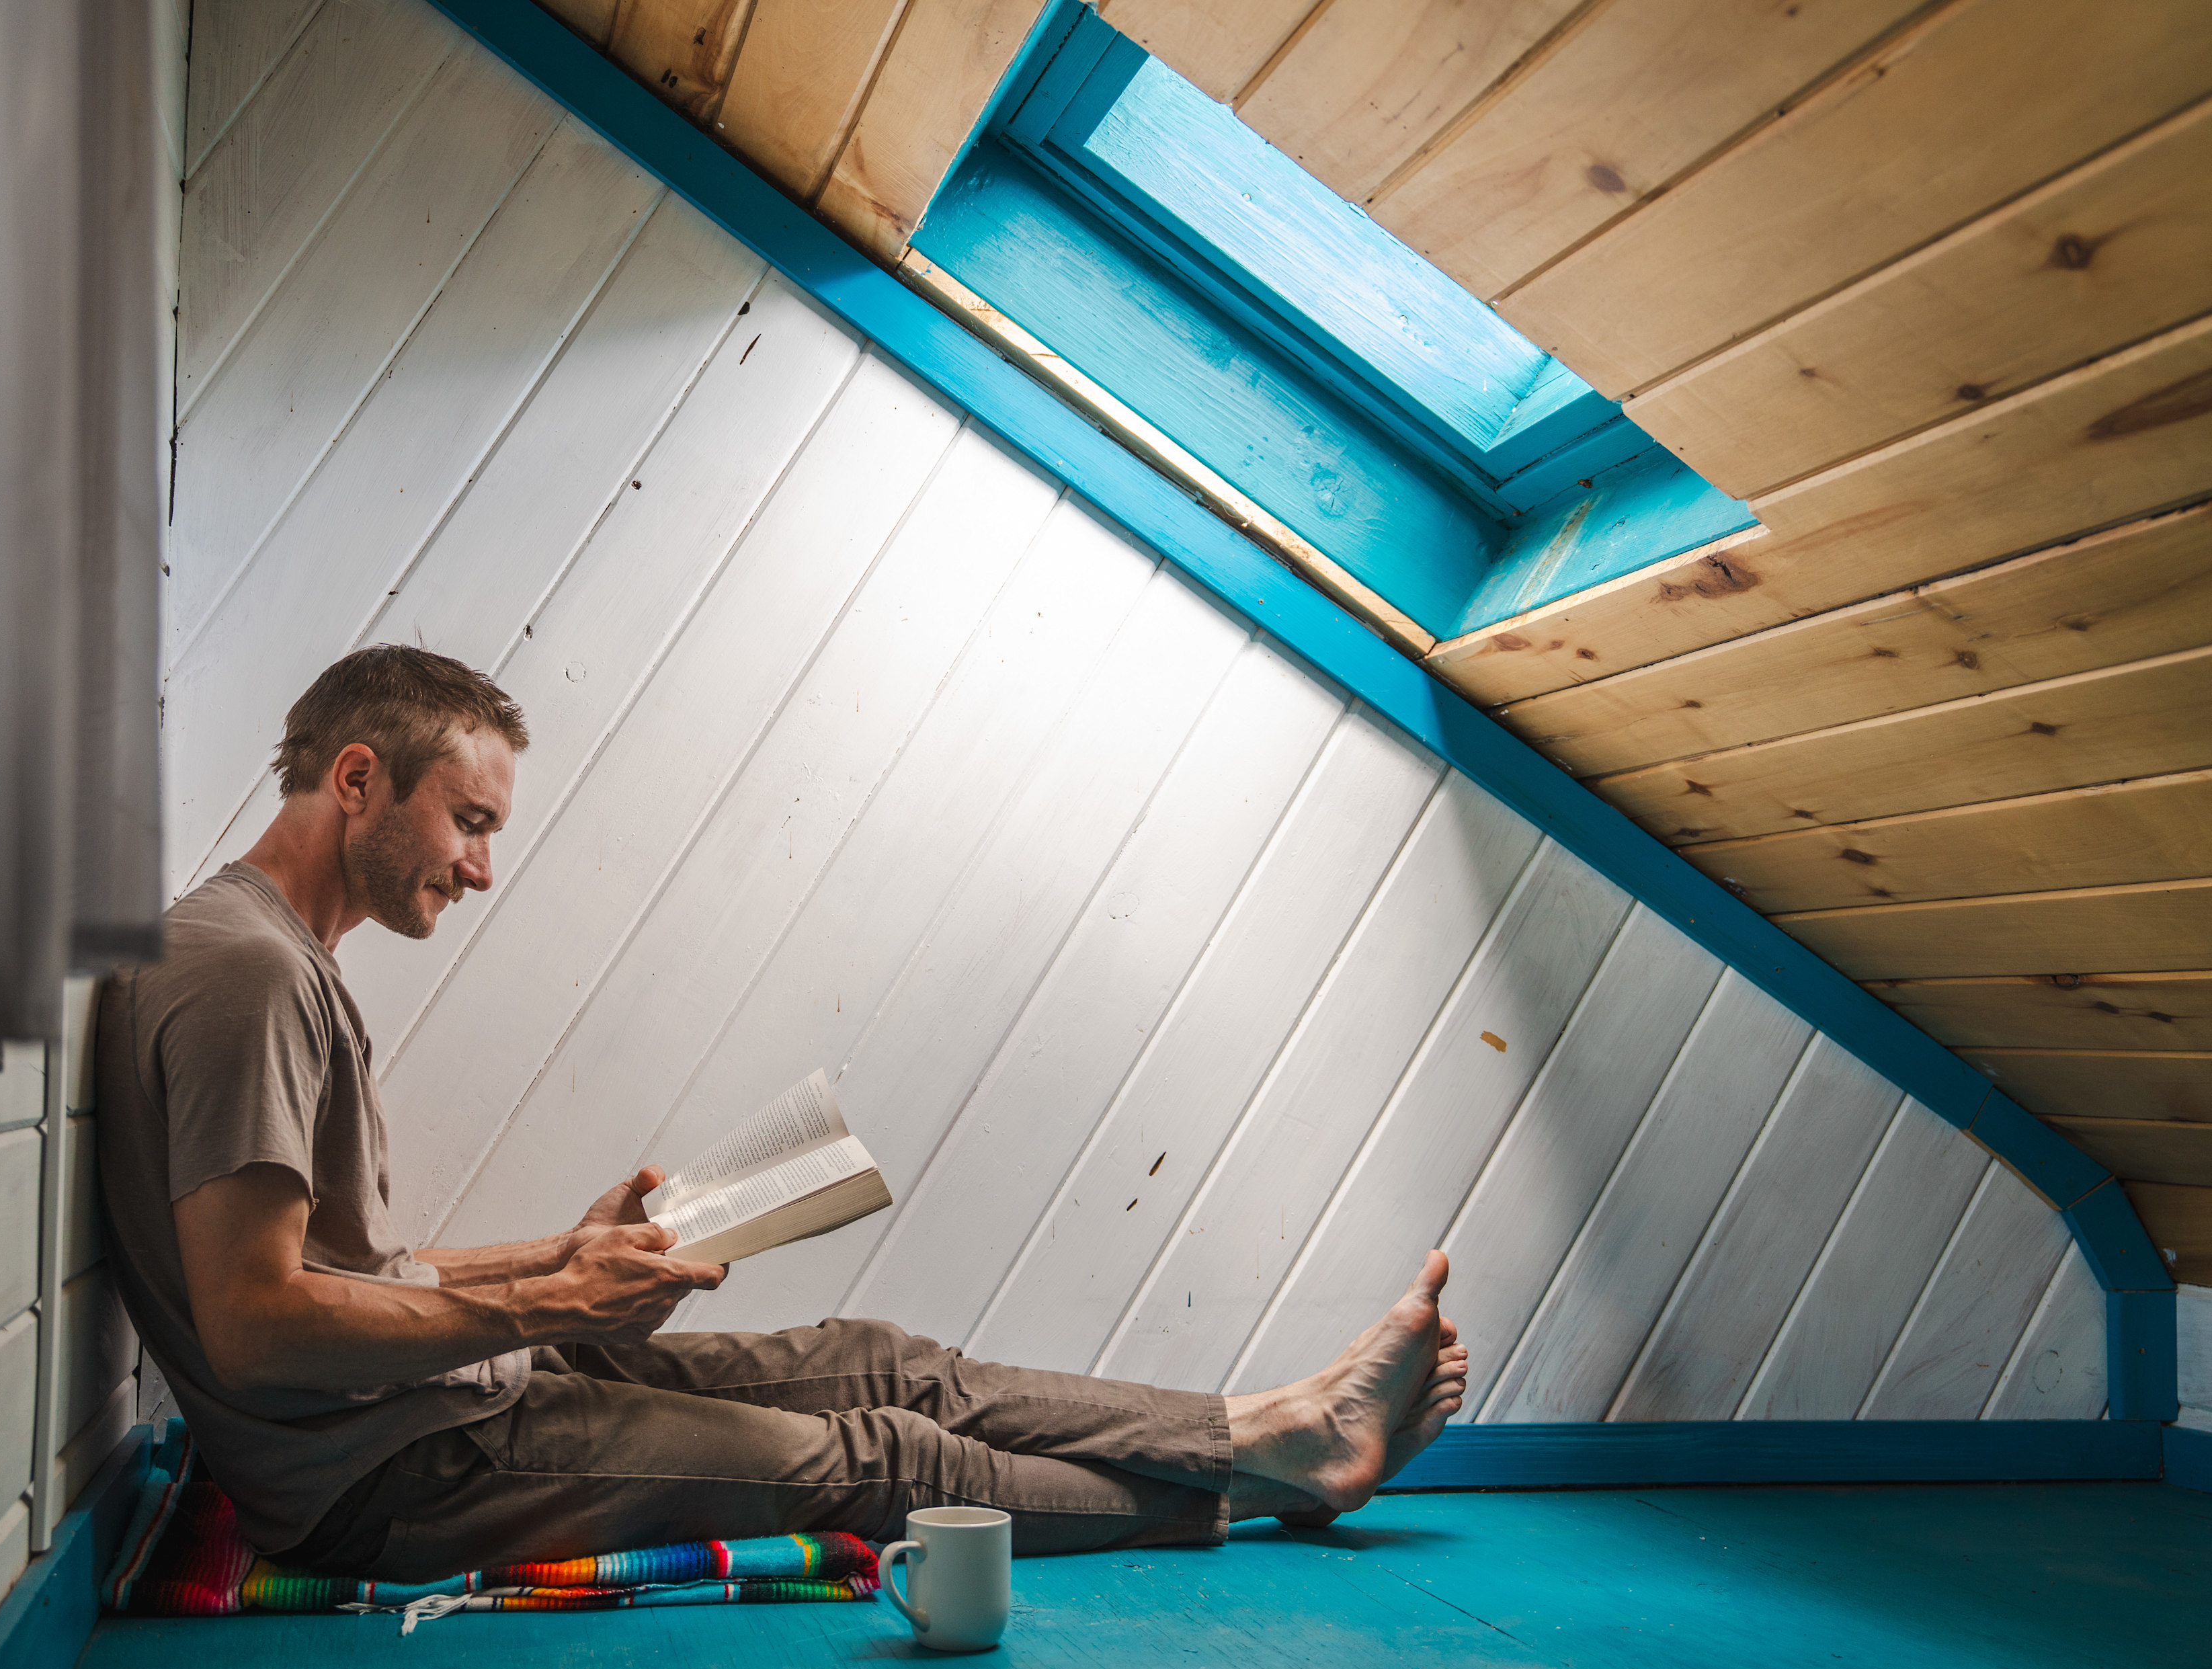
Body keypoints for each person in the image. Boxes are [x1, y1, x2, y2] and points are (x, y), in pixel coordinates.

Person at [98, 645, 1468, 1580]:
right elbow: (256, 1323)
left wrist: (558, 1265)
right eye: (468, 821)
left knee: (881, 1359)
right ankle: (1269, 1484)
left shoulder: (268, 956)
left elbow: (340, 1275)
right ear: (356, 780)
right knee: (876, 1458)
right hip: (384, 1479)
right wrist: (553, 1311)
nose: (482, 867)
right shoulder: (247, 973)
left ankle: (1261, 1425)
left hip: (432, 1403)